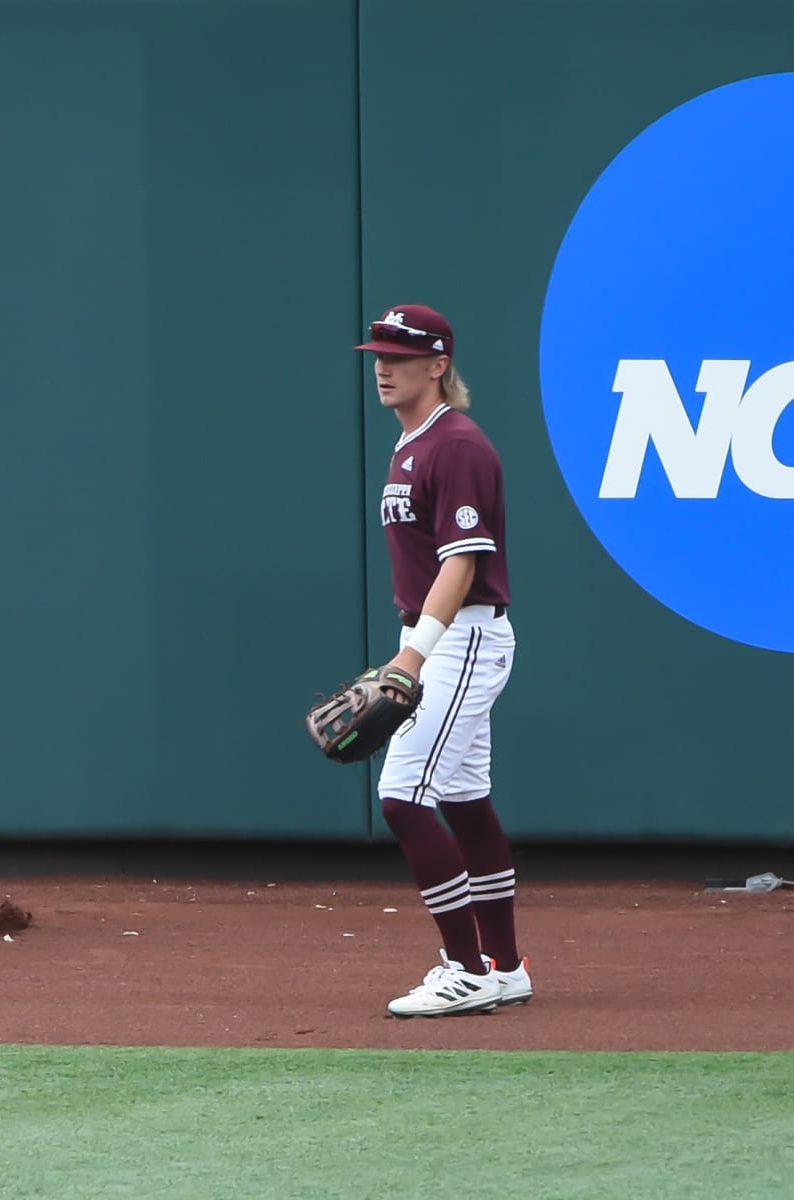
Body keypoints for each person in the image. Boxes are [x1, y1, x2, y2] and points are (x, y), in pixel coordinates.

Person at [355, 304, 532, 1017]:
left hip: (464, 635)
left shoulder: (456, 444)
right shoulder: (412, 444)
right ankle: (506, 966)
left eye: (398, 356)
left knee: (403, 796)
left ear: (438, 365)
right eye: (378, 355)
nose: (382, 367)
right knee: (461, 799)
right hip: (448, 636)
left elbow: (463, 563)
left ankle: (465, 968)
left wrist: (410, 657)